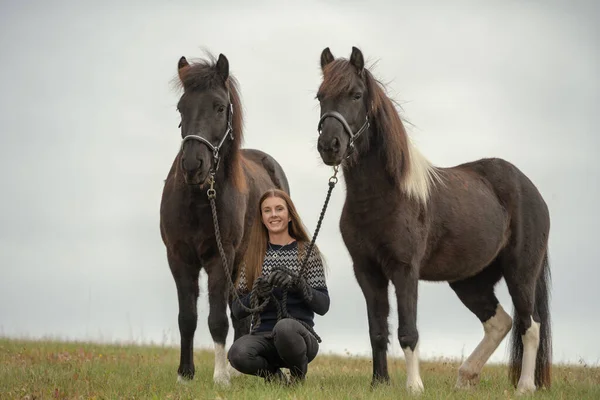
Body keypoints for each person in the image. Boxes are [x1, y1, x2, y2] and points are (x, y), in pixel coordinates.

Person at [227, 188, 330, 384]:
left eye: (279, 209)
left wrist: (300, 286)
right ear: (262, 218)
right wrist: (256, 294)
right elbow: (237, 309)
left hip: (299, 336)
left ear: (290, 215)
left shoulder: (306, 251)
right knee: (237, 354)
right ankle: (275, 379)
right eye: (267, 210)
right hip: (262, 337)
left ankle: (298, 378)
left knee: (284, 328)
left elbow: (323, 305)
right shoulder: (252, 255)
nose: (273, 215)